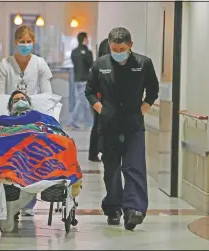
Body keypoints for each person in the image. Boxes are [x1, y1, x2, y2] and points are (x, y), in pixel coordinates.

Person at [85, 27, 159, 230]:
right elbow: (90, 91)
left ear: (130, 46)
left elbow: (153, 90)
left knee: (134, 167)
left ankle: (134, 210)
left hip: (133, 125)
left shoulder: (143, 64)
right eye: (114, 48)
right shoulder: (100, 65)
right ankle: (113, 208)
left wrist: (142, 110)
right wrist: (100, 109)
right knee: (112, 170)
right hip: (108, 126)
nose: (117, 52)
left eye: (121, 48)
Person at [0, 25, 53, 95]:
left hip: (34, 105)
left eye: (28, 41)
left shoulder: (40, 64)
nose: (26, 45)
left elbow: (47, 94)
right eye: (22, 42)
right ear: (16, 42)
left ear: (33, 42)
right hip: (10, 105)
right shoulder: (4, 64)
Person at [88, 38, 111, 162]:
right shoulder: (102, 66)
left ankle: (95, 152)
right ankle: (97, 151)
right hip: (101, 100)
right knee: (100, 126)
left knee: (97, 125)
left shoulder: (97, 64)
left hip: (98, 100)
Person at [66, 32, 94, 129]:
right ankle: (89, 123)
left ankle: (72, 121)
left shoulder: (74, 52)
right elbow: (91, 65)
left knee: (81, 100)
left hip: (77, 79)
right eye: (87, 39)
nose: (88, 40)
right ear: (84, 39)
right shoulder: (88, 52)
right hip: (85, 79)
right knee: (84, 102)